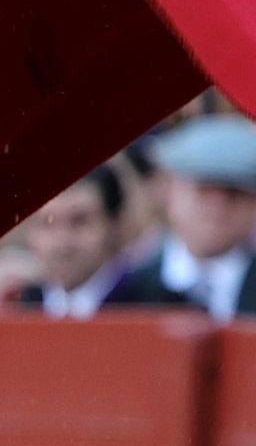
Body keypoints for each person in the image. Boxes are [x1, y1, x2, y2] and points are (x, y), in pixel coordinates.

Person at [109, 114, 256, 320]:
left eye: (234, 192)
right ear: (169, 189)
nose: (217, 206)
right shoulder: (127, 289)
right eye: (203, 188)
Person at [19, 165, 130, 319]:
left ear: (115, 226)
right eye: (47, 222)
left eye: (80, 221)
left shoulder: (151, 305)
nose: (62, 243)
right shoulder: (13, 306)